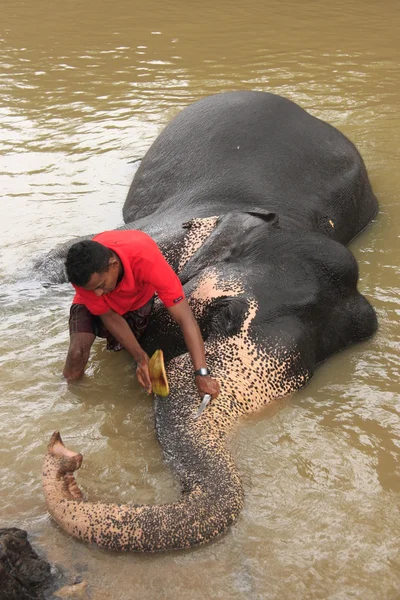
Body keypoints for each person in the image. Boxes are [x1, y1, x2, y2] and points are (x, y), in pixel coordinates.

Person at [63, 229, 220, 399]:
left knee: (124, 352)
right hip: (100, 306)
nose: (99, 294)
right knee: (76, 353)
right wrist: (140, 357)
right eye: (93, 289)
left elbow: (185, 318)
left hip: (136, 299)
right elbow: (109, 316)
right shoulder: (86, 281)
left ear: (114, 265)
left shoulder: (147, 261)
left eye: (101, 285)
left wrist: (202, 373)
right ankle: (69, 395)